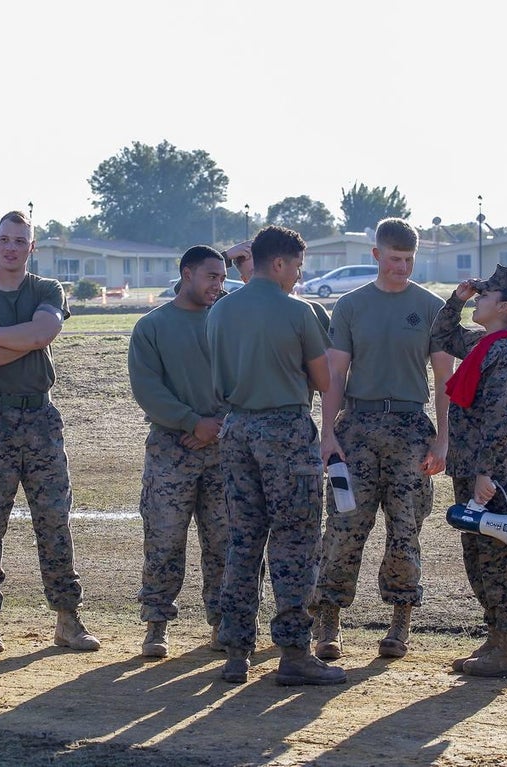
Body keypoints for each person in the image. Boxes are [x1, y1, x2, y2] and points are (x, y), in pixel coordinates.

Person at [0, 210, 100, 653]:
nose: (11, 248)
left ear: (31, 247)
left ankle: (67, 618)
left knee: (54, 519)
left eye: (20, 241)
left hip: (40, 417)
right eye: (5, 240)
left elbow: (44, 333)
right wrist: (14, 341)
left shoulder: (46, 288)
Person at [206, 224, 345, 686]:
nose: (298, 277)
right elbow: (325, 381)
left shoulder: (220, 312)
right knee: (294, 541)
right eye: (297, 268)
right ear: (280, 263)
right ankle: (293, 651)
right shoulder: (299, 312)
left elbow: (217, 376)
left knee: (243, 542)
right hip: (285, 428)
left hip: (236, 428)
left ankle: (235, 651)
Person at [312, 217, 453, 662]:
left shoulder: (431, 307)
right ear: (376, 256)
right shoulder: (351, 307)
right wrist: (328, 432)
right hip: (358, 429)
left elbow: (444, 378)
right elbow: (336, 374)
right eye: (395, 259)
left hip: (411, 430)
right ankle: (328, 620)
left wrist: (442, 441)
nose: (403, 268)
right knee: (345, 525)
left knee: (406, 528)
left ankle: (400, 621)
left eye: (410, 260)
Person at [431, 264, 507, 678]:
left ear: (503, 306)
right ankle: (498, 637)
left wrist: (483, 472)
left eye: (484, 296)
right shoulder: (488, 345)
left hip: (493, 471)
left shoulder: (504, 352)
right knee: (479, 555)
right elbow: (441, 336)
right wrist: (456, 300)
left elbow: (500, 419)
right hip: (479, 468)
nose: (478, 299)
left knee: (499, 553)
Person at [128, 245, 229, 657]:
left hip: (225, 449)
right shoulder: (153, 327)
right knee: (164, 540)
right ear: (187, 274)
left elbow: (248, 375)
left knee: (225, 542)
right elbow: (148, 390)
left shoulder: (229, 321)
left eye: (222, 278)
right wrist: (193, 423)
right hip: (172, 450)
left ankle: (225, 623)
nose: (218, 285)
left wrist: (217, 426)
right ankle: (156, 625)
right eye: (211, 277)